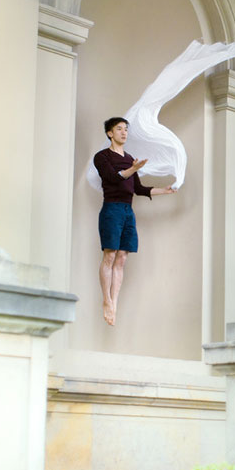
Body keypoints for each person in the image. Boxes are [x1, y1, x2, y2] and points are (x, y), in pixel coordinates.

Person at [94, 116, 175, 325]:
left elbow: (138, 189)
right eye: (119, 129)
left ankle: (115, 303)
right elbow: (113, 177)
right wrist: (134, 168)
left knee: (122, 258)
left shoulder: (130, 158)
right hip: (112, 209)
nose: (124, 132)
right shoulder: (102, 157)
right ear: (110, 133)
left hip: (128, 211)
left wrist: (164, 191)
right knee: (110, 256)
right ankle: (106, 300)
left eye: (126, 130)